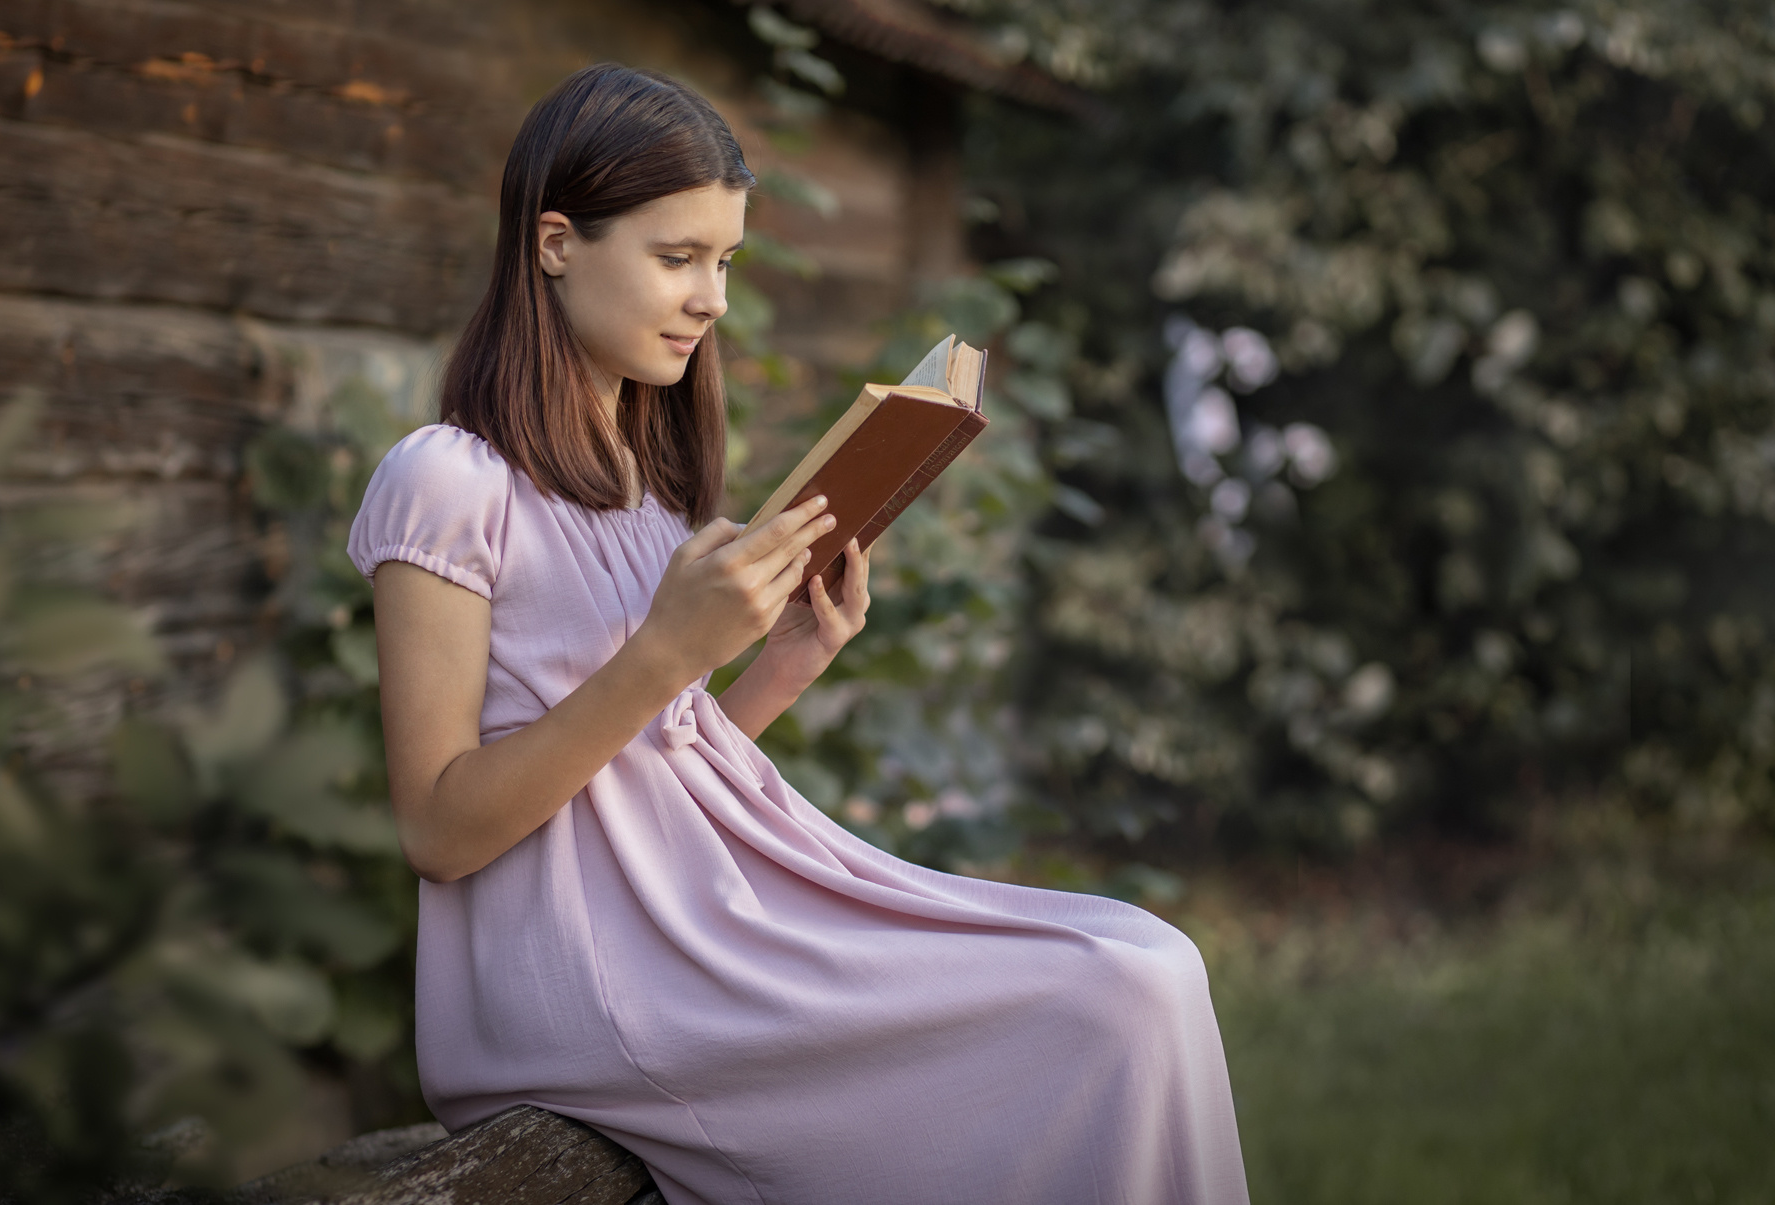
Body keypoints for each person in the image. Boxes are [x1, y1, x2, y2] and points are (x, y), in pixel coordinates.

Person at [347, 63, 1251, 1205]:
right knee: (1112, 999)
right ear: (555, 243)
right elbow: (439, 826)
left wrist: (772, 671)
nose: (712, 297)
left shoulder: (642, 488)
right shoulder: (444, 479)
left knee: (1147, 962)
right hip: (578, 984)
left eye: (723, 261)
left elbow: (639, 781)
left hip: (680, 922)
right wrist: (666, 654)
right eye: (676, 258)